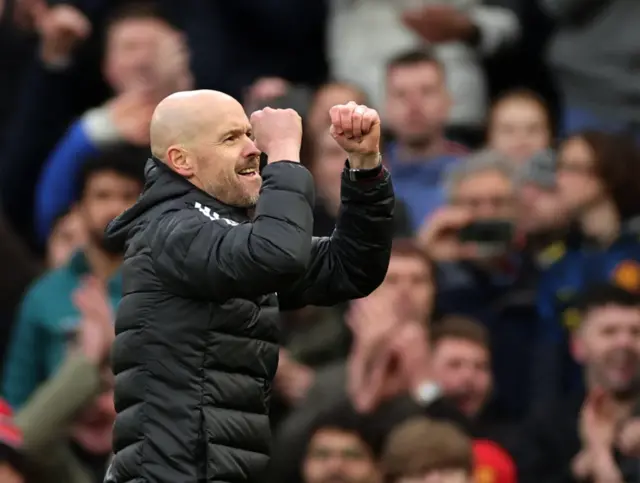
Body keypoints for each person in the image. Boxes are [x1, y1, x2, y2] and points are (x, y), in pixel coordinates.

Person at [103, 90, 394, 482]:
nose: (253, 149)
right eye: (230, 139)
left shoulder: (229, 235)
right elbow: (277, 254)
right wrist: (286, 152)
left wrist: (364, 166)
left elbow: (350, 267)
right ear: (181, 161)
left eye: (248, 134)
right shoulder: (171, 229)